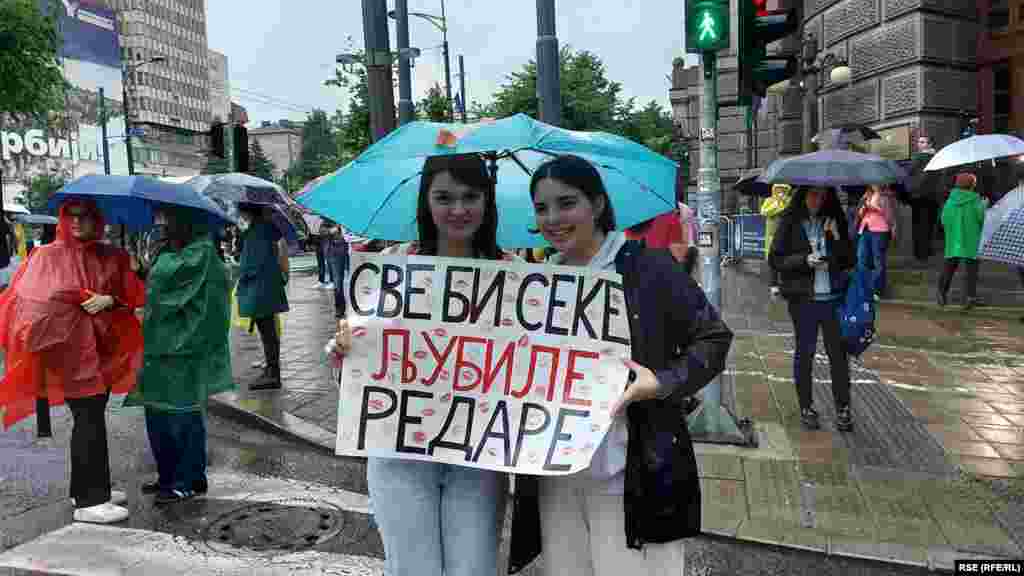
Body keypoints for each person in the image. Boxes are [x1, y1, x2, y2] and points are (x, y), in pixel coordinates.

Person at [507, 154, 733, 576]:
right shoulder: (533, 284)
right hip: (556, 479)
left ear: (596, 204)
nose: (553, 217)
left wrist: (662, 382)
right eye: (541, 208)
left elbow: (714, 339)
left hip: (628, 476)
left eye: (566, 202)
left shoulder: (648, 268)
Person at [333, 154, 514, 576]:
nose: (458, 210)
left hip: (478, 452)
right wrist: (344, 351)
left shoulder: (515, 276)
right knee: (413, 568)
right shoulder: (390, 268)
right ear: (426, 203)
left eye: (470, 196)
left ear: (487, 202)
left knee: (473, 569)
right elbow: (361, 362)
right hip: (400, 450)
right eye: (444, 197)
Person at [0, 198, 146, 523]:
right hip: (71, 355)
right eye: (72, 216)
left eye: (85, 216)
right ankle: (91, 500)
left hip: (103, 353)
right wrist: (74, 304)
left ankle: (89, 488)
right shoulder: (48, 255)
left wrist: (111, 299)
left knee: (90, 420)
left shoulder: (109, 255)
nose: (77, 223)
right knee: (89, 419)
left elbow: (131, 296)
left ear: (98, 220)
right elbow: (31, 305)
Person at [124, 206, 232, 505]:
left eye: (169, 219)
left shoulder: (201, 253)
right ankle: (168, 475)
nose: (162, 224)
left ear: (187, 222)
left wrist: (149, 267)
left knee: (182, 417)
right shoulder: (170, 251)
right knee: (157, 414)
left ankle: (189, 480)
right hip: (159, 347)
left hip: (184, 349)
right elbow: (158, 286)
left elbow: (169, 283)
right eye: (162, 219)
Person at [769, 187, 856, 431]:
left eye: (822, 195)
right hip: (803, 300)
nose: (817, 200)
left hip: (833, 300)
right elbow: (775, 259)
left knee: (838, 356)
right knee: (804, 353)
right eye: (812, 195)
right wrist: (804, 260)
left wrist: (837, 237)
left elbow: (849, 260)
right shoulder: (790, 222)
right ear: (803, 196)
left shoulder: (834, 221)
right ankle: (806, 406)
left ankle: (843, 408)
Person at [235, 203, 289, 389]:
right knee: (268, 332)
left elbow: (250, 265)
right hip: (267, 287)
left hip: (259, 290)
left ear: (248, 211)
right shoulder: (266, 229)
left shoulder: (256, 231)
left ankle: (273, 374)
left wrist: (238, 269)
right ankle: (271, 370)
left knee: (267, 332)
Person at [937, 172, 987, 309]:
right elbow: (981, 218)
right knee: (971, 270)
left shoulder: (950, 200)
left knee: (949, 267)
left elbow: (944, 220)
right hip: (971, 238)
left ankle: (941, 293)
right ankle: (970, 297)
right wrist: (984, 205)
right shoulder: (976, 200)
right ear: (972, 185)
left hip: (953, 239)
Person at [857, 185, 897, 300]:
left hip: (880, 230)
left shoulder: (885, 196)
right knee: (861, 258)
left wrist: (875, 208)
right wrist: (864, 207)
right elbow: (860, 214)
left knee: (878, 260)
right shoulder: (867, 195)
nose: (873, 183)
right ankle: (864, 288)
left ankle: (877, 290)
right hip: (865, 229)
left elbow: (889, 216)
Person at [907, 135, 942, 261]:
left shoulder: (920, 157)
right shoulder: (937, 157)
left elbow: (909, 171)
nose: (919, 144)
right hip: (933, 195)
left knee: (918, 225)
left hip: (919, 195)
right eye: (919, 142)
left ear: (929, 144)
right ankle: (928, 250)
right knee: (930, 224)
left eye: (922, 142)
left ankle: (920, 253)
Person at [761, 183, 794, 297]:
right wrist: (777, 205)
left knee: (786, 258)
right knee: (773, 260)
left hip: (786, 235)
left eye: (783, 189)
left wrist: (783, 203)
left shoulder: (789, 200)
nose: (781, 191)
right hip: (772, 235)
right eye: (778, 189)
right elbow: (764, 211)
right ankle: (774, 284)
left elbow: (791, 212)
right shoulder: (770, 200)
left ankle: (786, 283)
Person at [323, 221, 348, 291]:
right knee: (337, 277)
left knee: (340, 276)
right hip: (333, 249)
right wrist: (333, 229)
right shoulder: (327, 221)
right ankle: (339, 299)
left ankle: (340, 298)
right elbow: (322, 231)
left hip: (341, 248)